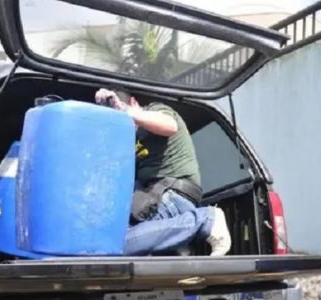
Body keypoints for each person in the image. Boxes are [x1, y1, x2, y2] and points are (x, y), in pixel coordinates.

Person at [94, 88, 231, 256]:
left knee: (116, 245)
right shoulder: (129, 140)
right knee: (106, 234)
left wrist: (126, 111)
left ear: (134, 103)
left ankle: (205, 220)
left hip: (173, 193)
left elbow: (170, 125)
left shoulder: (156, 110)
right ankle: (178, 242)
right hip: (150, 195)